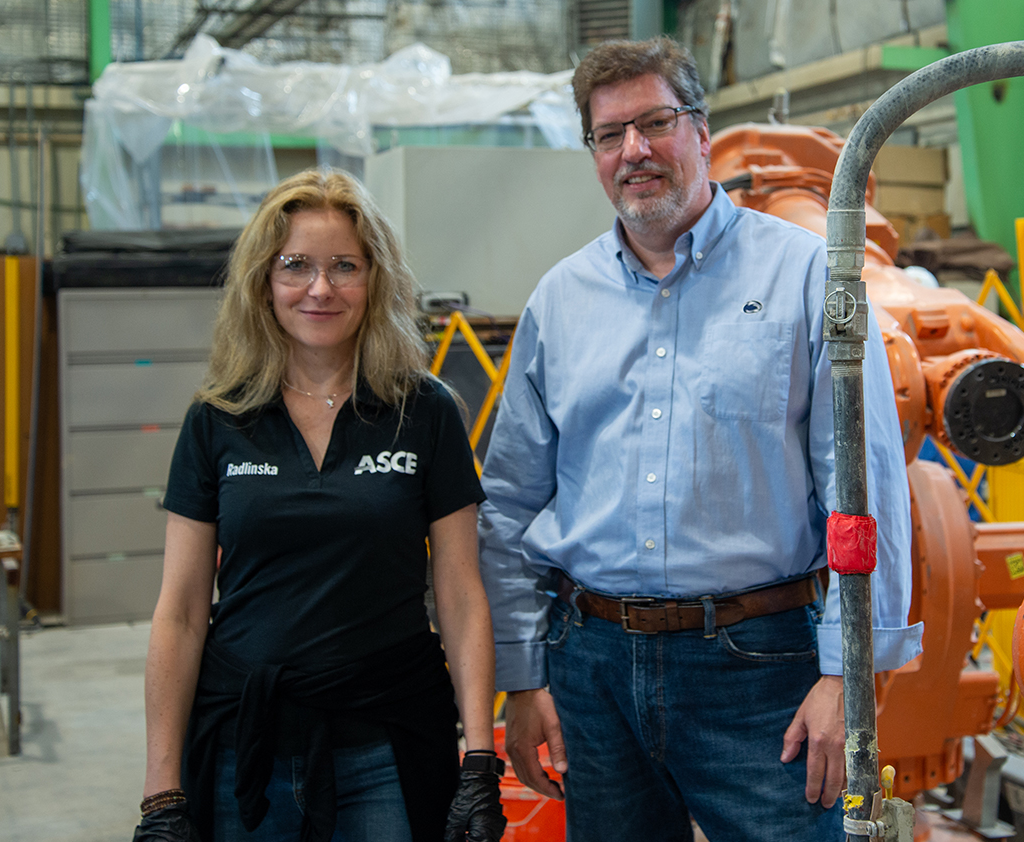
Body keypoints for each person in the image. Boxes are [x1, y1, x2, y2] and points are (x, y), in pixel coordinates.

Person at [478, 37, 921, 842]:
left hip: (760, 673)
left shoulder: (806, 275)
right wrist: (523, 675)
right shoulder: (560, 300)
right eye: (610, 135)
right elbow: (510, 502)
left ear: (703, 132)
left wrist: (847, 677)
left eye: (655, 123)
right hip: (591, 667)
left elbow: (866, 488)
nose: (634, 151)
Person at [135, 168, 506, 842]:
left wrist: (479, 757)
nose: (320, 288)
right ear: (263, 281)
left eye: (345, 266)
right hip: (243, 743)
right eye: (296, 266)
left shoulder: (423, 412)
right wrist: (161, 791)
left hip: (387, 742)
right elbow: (182, 612)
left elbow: (458, 592)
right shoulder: (218, 418)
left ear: (375, 280)